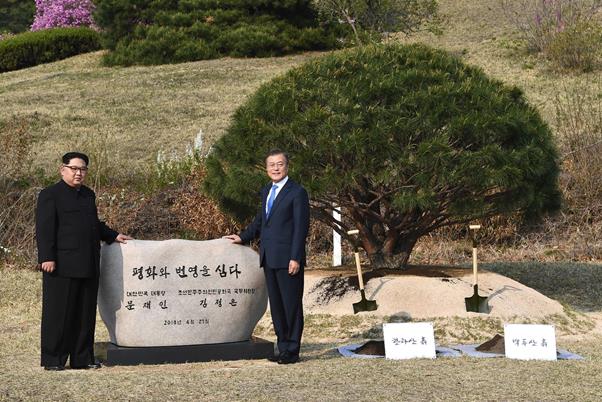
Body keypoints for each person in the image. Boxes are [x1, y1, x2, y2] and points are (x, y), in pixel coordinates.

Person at [35, 152, 131, 371]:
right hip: (61, 264)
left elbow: (92, 224)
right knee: (58, 313)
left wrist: (112, 235)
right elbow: (44, 229)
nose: (79, 173)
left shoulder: (88, 194)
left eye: (83, 169)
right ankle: (53, 359)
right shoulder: (50, 194)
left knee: (85, 313)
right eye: (74, 169)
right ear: (63, 170)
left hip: (88, 263)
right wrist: (46, 257)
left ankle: (82, 358)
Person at [224, 149, 310, 364]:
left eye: (279, 164)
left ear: (287, 166)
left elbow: (301, 228)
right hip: (269, 258)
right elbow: (261, 222)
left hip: (288, 259)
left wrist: (295, 257)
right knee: (278, 307)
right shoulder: (266, 191)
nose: (276, 168)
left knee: (291, 305)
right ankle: (282, 348)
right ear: (266, 168)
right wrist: (242, 237)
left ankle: (292, 351)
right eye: (271, 165)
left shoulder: (297, 192)